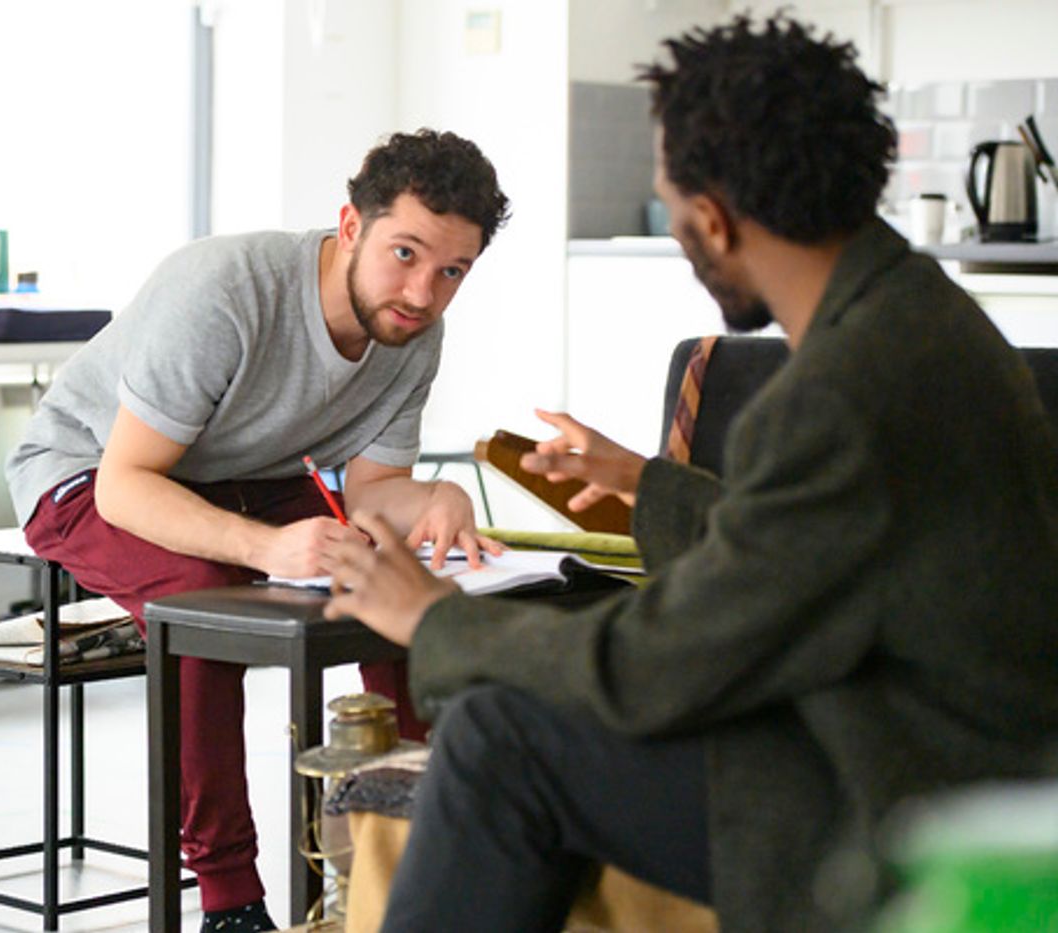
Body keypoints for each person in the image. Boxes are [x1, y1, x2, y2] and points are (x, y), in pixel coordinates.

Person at [319, 16, 1058, 933]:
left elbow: (656, 665)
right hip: (938, 737)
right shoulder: (921, 316)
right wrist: (641, 481)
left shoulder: (841, 390)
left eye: (671, 203)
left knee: (496, 735)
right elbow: (813, 544)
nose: (674, 228)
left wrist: (434, 618)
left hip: (897, 792)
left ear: (713, 218)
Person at [5, 128, 510, 933]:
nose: (423, 292)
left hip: (242, 480)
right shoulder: (226, 290)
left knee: (393, 575)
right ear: (350, 225)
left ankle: (421, 849)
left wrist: (440, 495)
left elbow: (374, 500)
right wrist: (266, 548)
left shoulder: (414, 332)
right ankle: (229, 900)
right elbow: (126, 485)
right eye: (405, 254)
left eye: (453, 270)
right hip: (87, 475)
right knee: (205, 602)